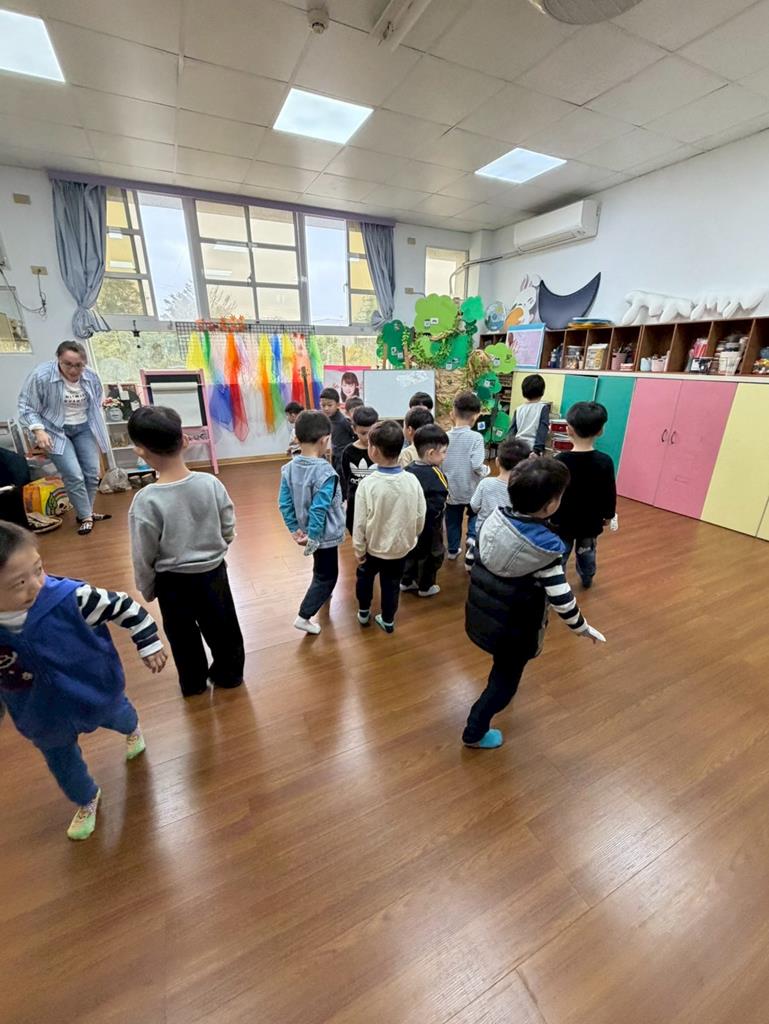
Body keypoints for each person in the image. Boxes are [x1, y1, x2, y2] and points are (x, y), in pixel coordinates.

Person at [0, 522, 167, 839]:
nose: (36, 585)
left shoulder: (71, 598)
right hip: (39, 713)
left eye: (39, 569)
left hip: (95, 690)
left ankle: (133, 728)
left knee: (119, 716)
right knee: (61, 760)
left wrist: (149, 642)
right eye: (19, 583)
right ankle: (86, 798)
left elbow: (124, 606)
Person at [463, 459, 606, 749]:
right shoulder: (545, 550)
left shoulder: (494, 518)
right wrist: (582, 627)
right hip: (515, 631)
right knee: (504, 684)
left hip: (481, 613)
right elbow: (562, 599)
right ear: (550, 505)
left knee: (501, 668)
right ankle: (474, 732)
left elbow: (471, 556)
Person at [127, 406, 245, 696]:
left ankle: (193, 684)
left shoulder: (146, 500)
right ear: (185, 440)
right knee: (224, 629)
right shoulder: (210, 483)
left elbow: (143, 553)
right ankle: (230, 675)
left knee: (182, 637)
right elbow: (228, 525)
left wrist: (147, 586)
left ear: (140, 451)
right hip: (213, 574)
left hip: (172, 583)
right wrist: (218, 547)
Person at [18, 340, 112, 536]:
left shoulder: (91, 376)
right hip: (53, 429)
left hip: (83, 427)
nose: (73, 370)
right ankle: (85, 516)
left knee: (91, 472)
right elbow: (26, 406)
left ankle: (85, 512)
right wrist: (39, 431)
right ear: (58, 359)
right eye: (68, 364)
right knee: (73, 474)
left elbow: (95, 400)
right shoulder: (41, 375)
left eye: (79, 365)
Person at [353, 419, 425, 634]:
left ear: (373, 451)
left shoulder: (367, 484)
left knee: (365, 578)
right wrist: (412, 538)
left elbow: (359, 522)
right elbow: (420, 514)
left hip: (372, 548)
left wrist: (359, 548)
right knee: (391, 584)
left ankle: (363, 612)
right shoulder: (412, 480)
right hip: (400, 548)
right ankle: (388, 620)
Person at [279, 410, 345, 636]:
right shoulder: (325, 472)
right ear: (325, 440)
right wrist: (314, 537)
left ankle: (322, 593)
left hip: (307, 531)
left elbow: (284, 502)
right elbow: (319, 508)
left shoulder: (289, 468)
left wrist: (295, 529)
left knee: (320, 568)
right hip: (323, 535)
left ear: (297, 438)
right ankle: (304, 615)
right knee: (328, 576)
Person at [550, 401, 617, 589]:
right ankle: (587, 577)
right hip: (590, 522)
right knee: (587, 553)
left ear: (568, 429)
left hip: (561, 521)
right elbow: (609, 492)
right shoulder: (605, 461)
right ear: (600, 431)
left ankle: (557, 584)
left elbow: (552, 493)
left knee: (560, 554)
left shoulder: (559, 460)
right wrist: (609, 515)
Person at [465, 437, 530, 569]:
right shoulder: (526, 489)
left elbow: (474, 506)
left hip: (484, 533)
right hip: (512, 537)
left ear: (497, 461)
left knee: (480, 560)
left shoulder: (485, 483)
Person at [401, 424, 449, 598]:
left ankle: (406, 581)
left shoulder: (407, 470)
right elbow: (440, 501)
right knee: (431, 556)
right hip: (430, 528)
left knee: (410, 552)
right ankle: (425, 586)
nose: (445, 456)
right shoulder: (436, 474)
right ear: (431, 453)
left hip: (408, 525)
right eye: (443, 452)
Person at [443, 390, 489, 561]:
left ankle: (452, 550)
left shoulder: (444, 437)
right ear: (476, 416)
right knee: (475, 514)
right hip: (471, 488)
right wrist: (486, 471)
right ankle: (471, 537)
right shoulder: (476, 437)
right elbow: (477, 465)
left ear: (453, 413)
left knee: (452, 521)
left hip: (451, 489)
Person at [340, 405, 378, 532]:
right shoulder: (348, 451)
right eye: (363, 433)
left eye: (371, 432)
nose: (367, 437)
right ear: (354, 429)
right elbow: (346, 476)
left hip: (376, 500)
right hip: (355, 500)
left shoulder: (380, 449)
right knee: (356, 530)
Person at [508, 373, 550, 454]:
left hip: (517, 448)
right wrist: (537, 450)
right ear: (542, 391)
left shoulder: (519, 409)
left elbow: (512, 431)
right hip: (532, 449)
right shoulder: (543, 408)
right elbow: (542, 430)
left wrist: (510, 448)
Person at [320, 387, 355, 477]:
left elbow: (353, 436)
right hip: (335, 456)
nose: (326, 408)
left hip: (344, 457)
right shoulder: (329, 419)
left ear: (337, 405)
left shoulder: (343, 421)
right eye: (323, 405)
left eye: (329, 405)